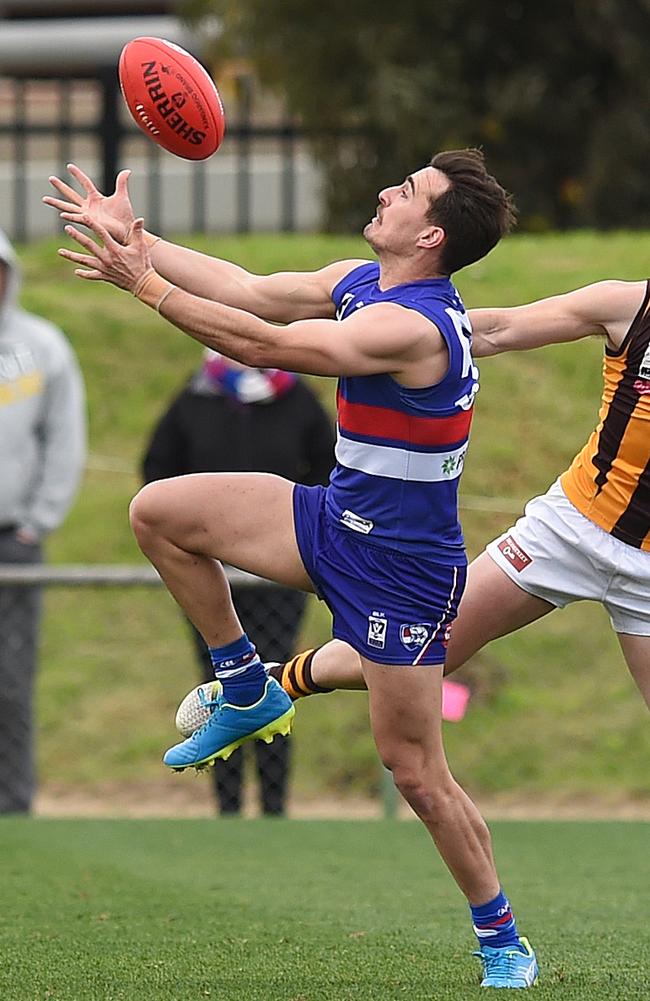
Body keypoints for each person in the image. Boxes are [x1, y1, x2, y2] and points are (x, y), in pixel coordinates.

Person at [44, 150, 538, 990]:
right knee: (159, 513)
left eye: (408, 191)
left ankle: (502, 938)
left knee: (415, 771)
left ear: (430, 233)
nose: (386, 189)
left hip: (403, 573)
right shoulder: (359, 280)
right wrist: (139, 240)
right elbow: (249, 288)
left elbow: (264, 343)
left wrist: (141, 284)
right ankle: (246, 686)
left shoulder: (411, 325)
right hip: (330, 521)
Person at [258, 279, 650, 708]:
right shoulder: (631, 305)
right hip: (569, 529)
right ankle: (279, 682)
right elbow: (496, 329)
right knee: (427, 650)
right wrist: (379, 338)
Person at [142, 349, 335, 815]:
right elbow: (157, 470)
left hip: (279, 572)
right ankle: (226, 806)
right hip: (210, 571)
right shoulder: (196, 397)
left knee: (276, 680)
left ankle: (274, 807)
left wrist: (292, 531)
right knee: (218, 680)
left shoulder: (297, 400)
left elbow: (330, 470)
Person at [0, 227, 86, 814]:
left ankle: (13, 803)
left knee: (10, 683)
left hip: (13, 543)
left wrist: (38, 521)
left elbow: (64, 441)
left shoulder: (42, 346)